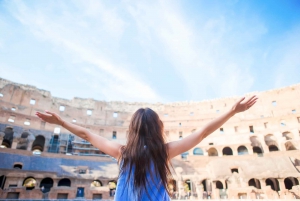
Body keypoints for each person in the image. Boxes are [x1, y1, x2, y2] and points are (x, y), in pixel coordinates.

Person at [36, 96, 257, 201]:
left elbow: (86, 134)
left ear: (132, 130)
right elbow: (202, 134)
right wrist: (232, 112)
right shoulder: (164, 152)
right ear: (157, 128)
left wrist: (62, 123)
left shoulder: (122, 153)